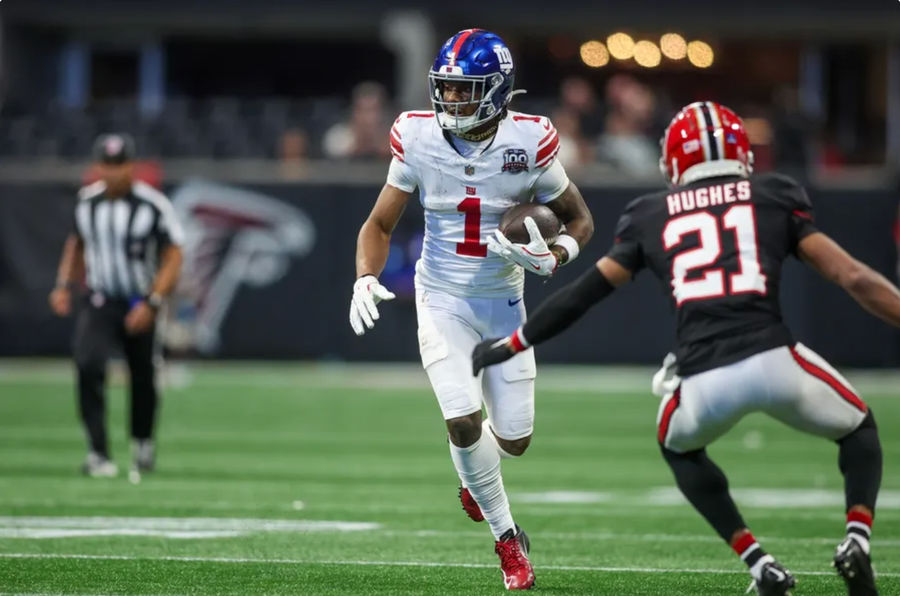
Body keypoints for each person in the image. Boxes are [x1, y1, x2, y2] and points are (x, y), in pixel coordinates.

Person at [473, 102, 899, 596]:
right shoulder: (774, 195)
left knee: (677, 446)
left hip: (704, 379)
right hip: (776, 357)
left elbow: (584, 295)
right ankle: (856, 539)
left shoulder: (650, 213)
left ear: (673, 159)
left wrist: (514, 343)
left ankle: (760, 564)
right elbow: (853, 276)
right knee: (859, 429)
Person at [349, 29, 594, 590]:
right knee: (462, 419)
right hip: (441, 299)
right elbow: (378, 224)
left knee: (513, 440)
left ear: (498, 90)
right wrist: (365, 276)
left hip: (504, 304)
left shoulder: (529, 142)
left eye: (465, 91)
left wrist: (555, 256)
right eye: (447, 89)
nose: (451, 101)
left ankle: (476, 477)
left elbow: (580, 220)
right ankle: (509, 542)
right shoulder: (417, 136)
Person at [49, 133, 184, 480]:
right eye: (107, 165)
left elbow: (173, 255)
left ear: (131, 166)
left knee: (143, 374)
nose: (113, 173)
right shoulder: (87, 203)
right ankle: (98, 451)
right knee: (87, 363)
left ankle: (142, 443)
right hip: (100, 298)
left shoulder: (153, 205)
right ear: (97, 167)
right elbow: (76, 244)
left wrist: (153, 301)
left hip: (140, 299)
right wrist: (64, 284)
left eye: (119, 165)